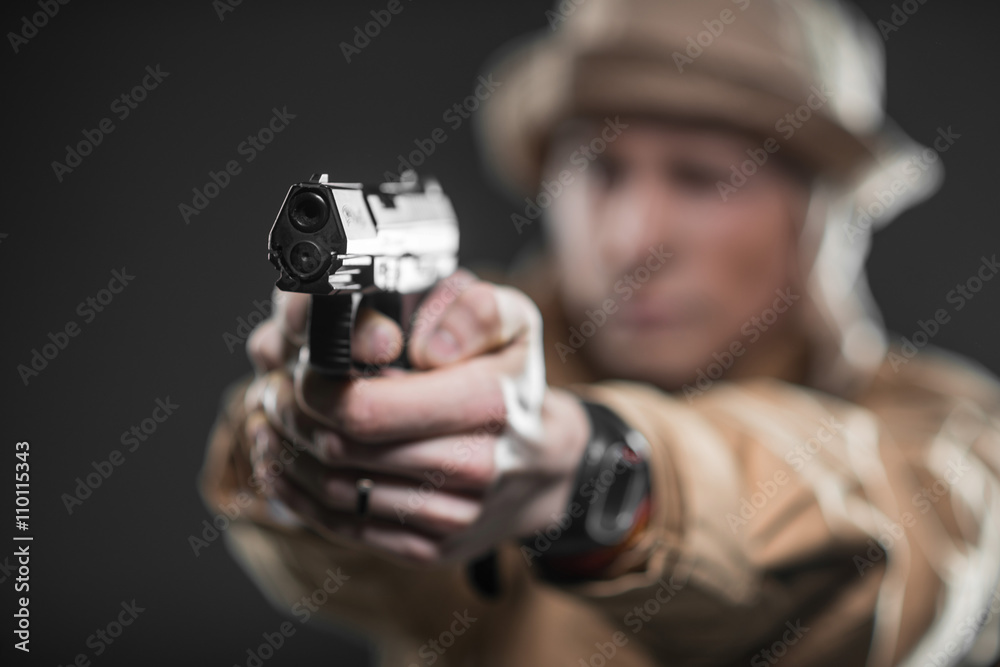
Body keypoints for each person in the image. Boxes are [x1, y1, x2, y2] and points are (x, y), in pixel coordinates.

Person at [199, 1, 1000, 665]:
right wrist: (311, 445)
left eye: (701, 175)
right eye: (602, 168)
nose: (631, 237)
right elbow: (375, 582)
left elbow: (887, 553)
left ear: (820, 219)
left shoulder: (948, 432)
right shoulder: (463, 362)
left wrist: (589, 479)